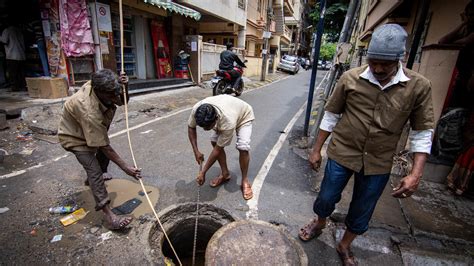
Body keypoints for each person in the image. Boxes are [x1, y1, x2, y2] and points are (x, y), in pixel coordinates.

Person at [298, 24, 435, 265]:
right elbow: (331, 115)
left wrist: (416, 173)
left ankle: (345, 244)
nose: (378, 68)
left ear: (399, 59)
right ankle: (319, 222)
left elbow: (422, 131)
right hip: (342, 151)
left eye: (386, 63)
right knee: (327, 197)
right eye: (374, 62)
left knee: (363, 208)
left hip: (379, 161)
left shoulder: (418, 86)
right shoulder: (350, 78)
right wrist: (316, 149)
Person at [58, 69, 141, 230]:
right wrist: (126, 168)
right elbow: (103, 145)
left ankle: (96, 177)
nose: (115, 98)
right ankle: (109, 217)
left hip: (90, 130)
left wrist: (126, 86)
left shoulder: (106, 89)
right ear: (99, 92)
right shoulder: (88, 109)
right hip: (74, 137)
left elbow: (122, 101)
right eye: (112, 95)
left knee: (103, 154)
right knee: (94, 169)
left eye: (116, 93)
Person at [188, 95, 254, 200]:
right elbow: (191, 127)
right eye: (203, 127)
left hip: (243, 116)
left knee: (243, 147)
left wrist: (203, 172)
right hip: (228, 109)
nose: (205, 130)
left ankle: (245, 180)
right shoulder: (197, 110)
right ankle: (225, 174)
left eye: (208, 127)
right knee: (214, 141)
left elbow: (217, 150)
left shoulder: (228, 121)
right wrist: (196, 151)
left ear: (216, 119)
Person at [0, 21, 26, 91]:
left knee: (13, 73)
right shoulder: (19, 30)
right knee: (21, 72)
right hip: (21, 54)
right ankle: (23, 86)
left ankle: (15, 87)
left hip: (12, 55)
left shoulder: (7, 30)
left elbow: (4, 41)